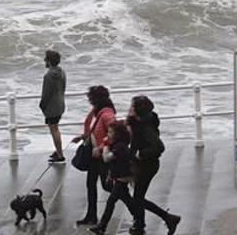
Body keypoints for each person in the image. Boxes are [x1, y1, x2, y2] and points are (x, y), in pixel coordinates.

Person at [127, 95, 181, 235]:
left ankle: (168, 218)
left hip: (146, 167)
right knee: (138, 198)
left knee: (137, 198)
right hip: (143, 165)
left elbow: (159, 147)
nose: (129, 108)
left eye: (132, 106)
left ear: (139, 110)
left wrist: (140, 153)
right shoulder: (140, 122)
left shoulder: (145, 128)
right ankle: (140, 226)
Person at [72, 85, 117, 226]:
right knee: (91, 184)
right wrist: (82, 137)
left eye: (91, 98)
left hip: (101, 156)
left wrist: (101, 147)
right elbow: (94, 131)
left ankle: (135, 206)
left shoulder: (107, 114)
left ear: (96, 99)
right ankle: (91, 215)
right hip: (94, 154)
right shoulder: (96, 112)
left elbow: (115, 135)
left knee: (107, 186)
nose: (89, 101)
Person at [89, 120, 141, 235]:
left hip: (122, 178)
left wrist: (106, 145)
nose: (108, 134)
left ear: (118, 134)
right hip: (119, 177)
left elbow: (107, 158)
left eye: (110, 132)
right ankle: (139, 220)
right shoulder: (119, 145)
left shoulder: (120, 147)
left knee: (111, 201)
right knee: (127, 200)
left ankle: (102, 226)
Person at [39, 49, 66, 163]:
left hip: (51, 106)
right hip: (60, 103)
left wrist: (42, 105)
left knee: (54, 130)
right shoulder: (62, 72)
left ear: (49, 61)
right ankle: (58, 150)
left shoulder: (48, 75)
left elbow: (46, 93)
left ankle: (60, 155)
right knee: (56, 128)